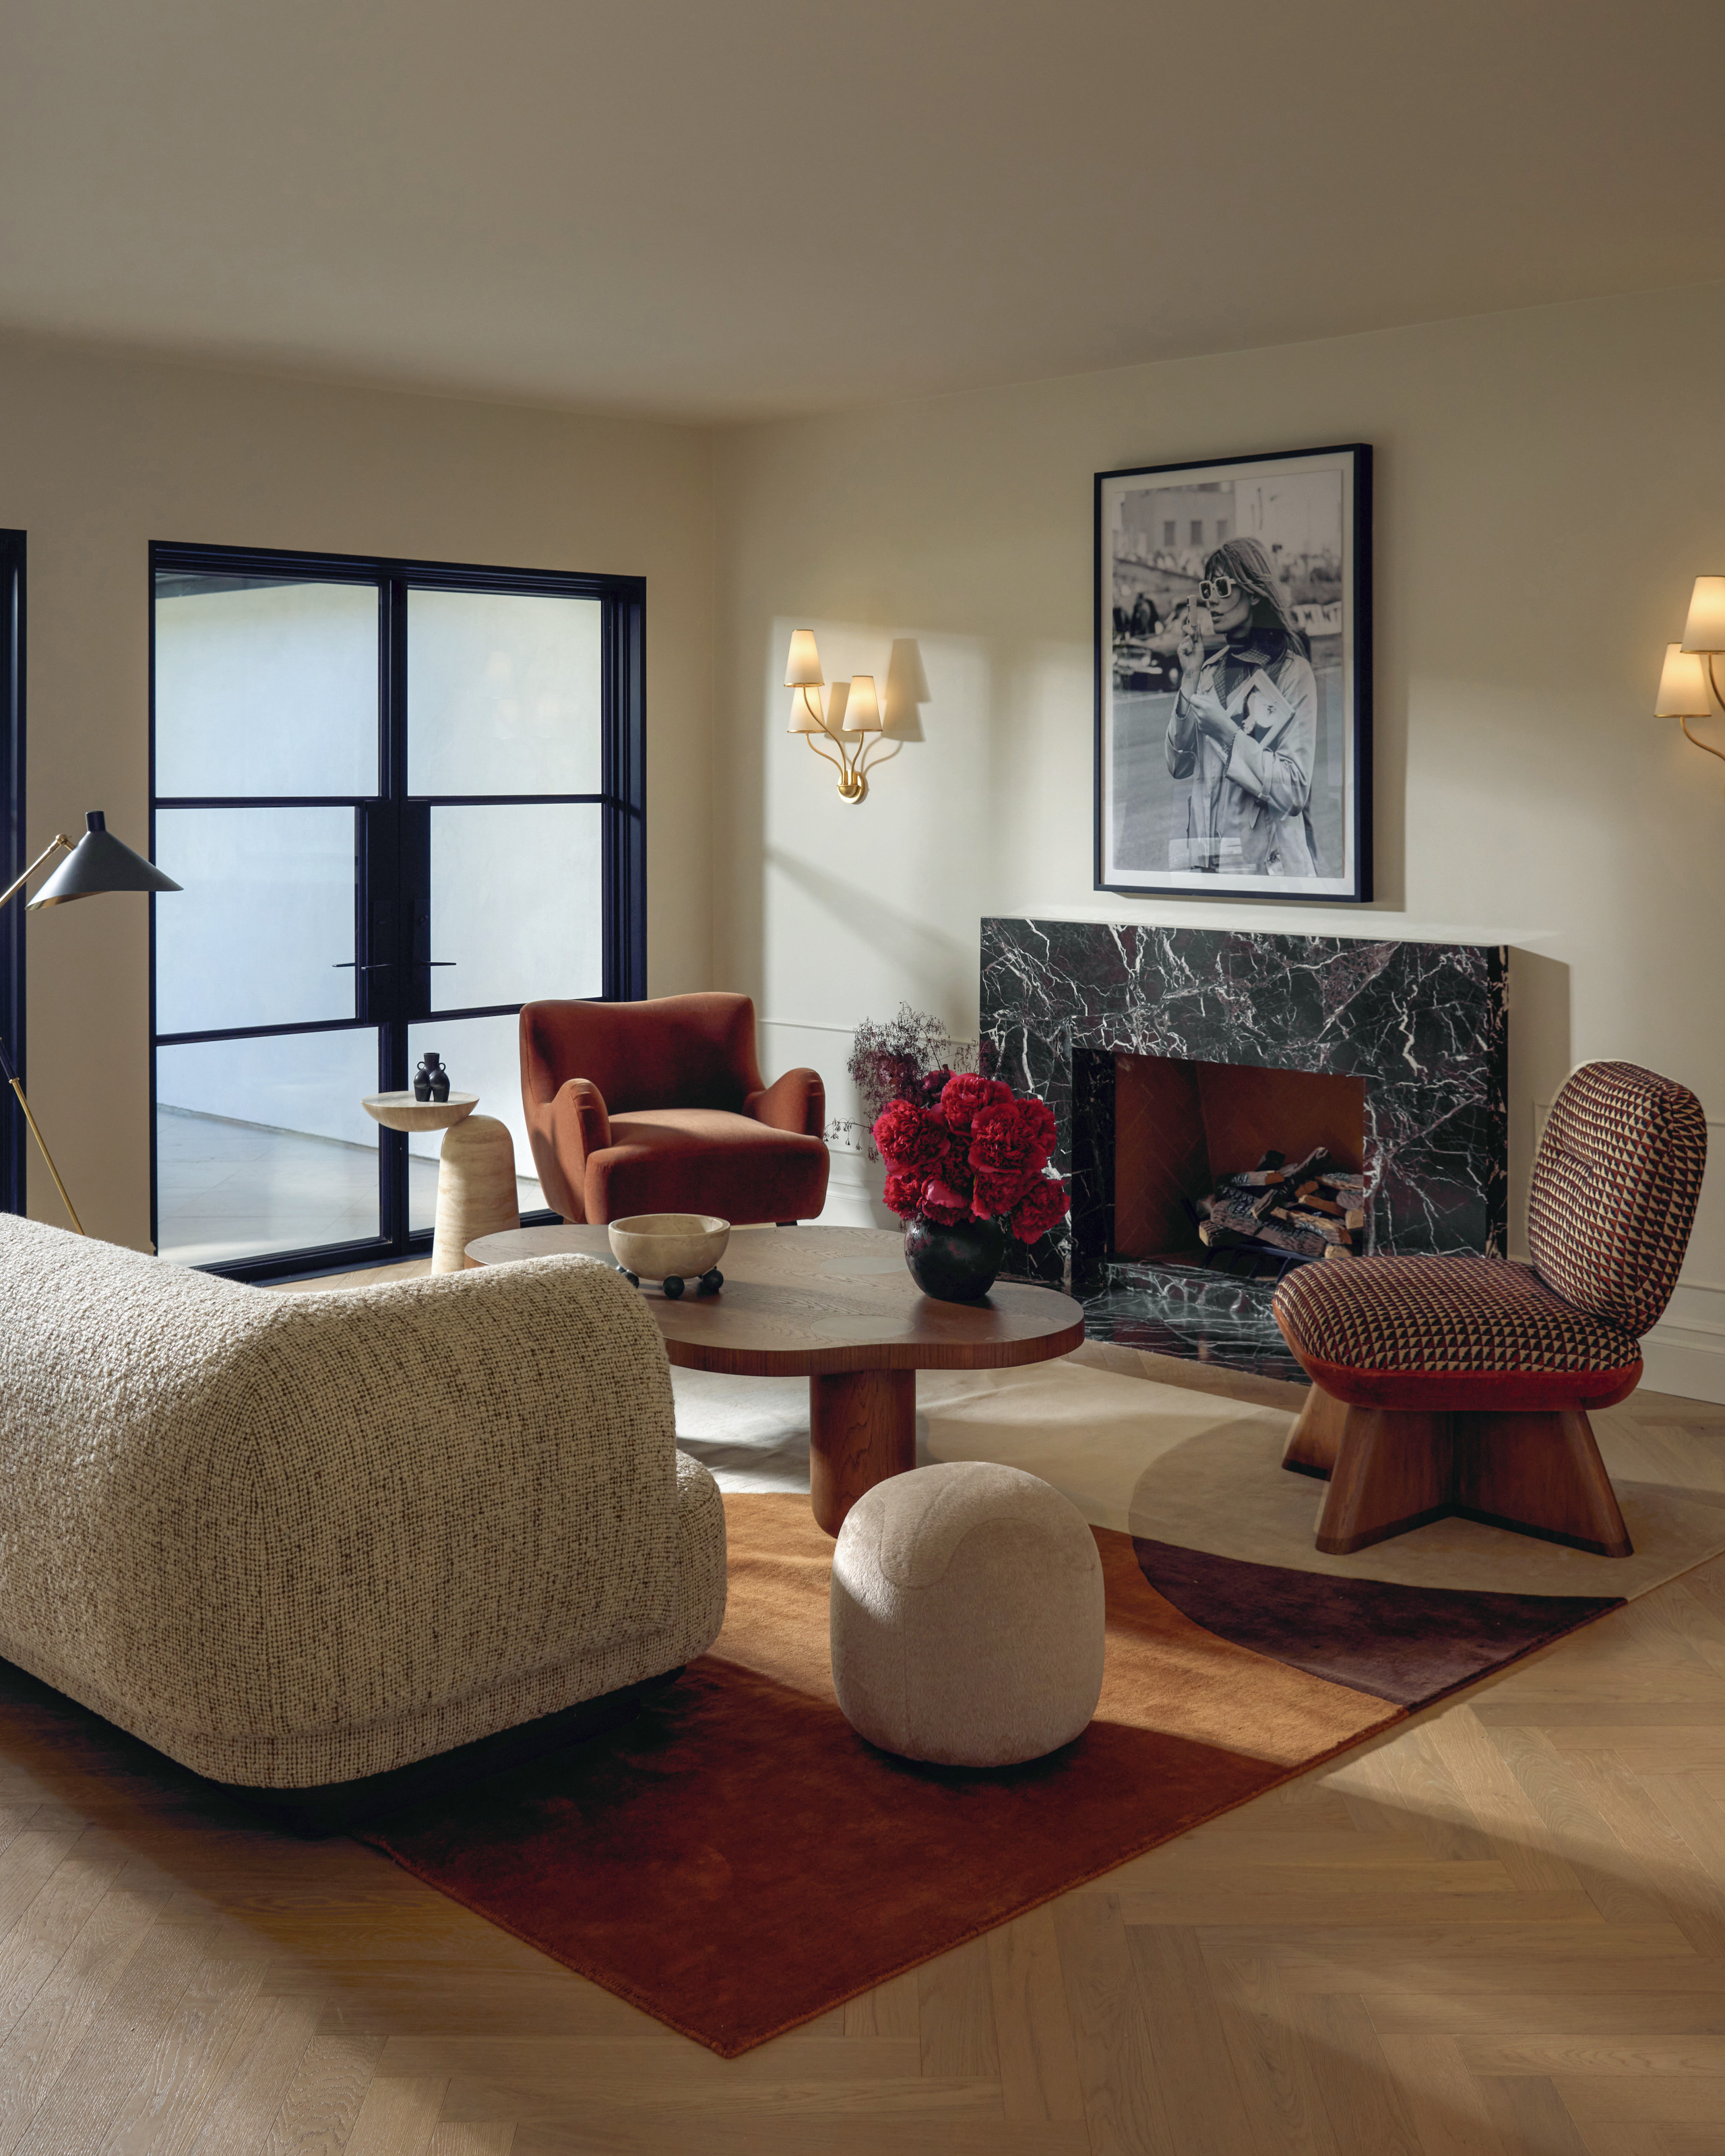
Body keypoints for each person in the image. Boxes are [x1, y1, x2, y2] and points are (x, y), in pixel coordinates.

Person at [1164, 536, 1321, 876]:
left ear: (1252, 592)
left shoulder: (1292, 673)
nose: (1212, 601)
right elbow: (1179, 765)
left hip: (1269, 873)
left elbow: (1294, 790)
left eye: (1222, 587)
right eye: (1207, 590)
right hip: (1211, 867)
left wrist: (1230, 735)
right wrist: (1189, 676)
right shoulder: (1208, 670)